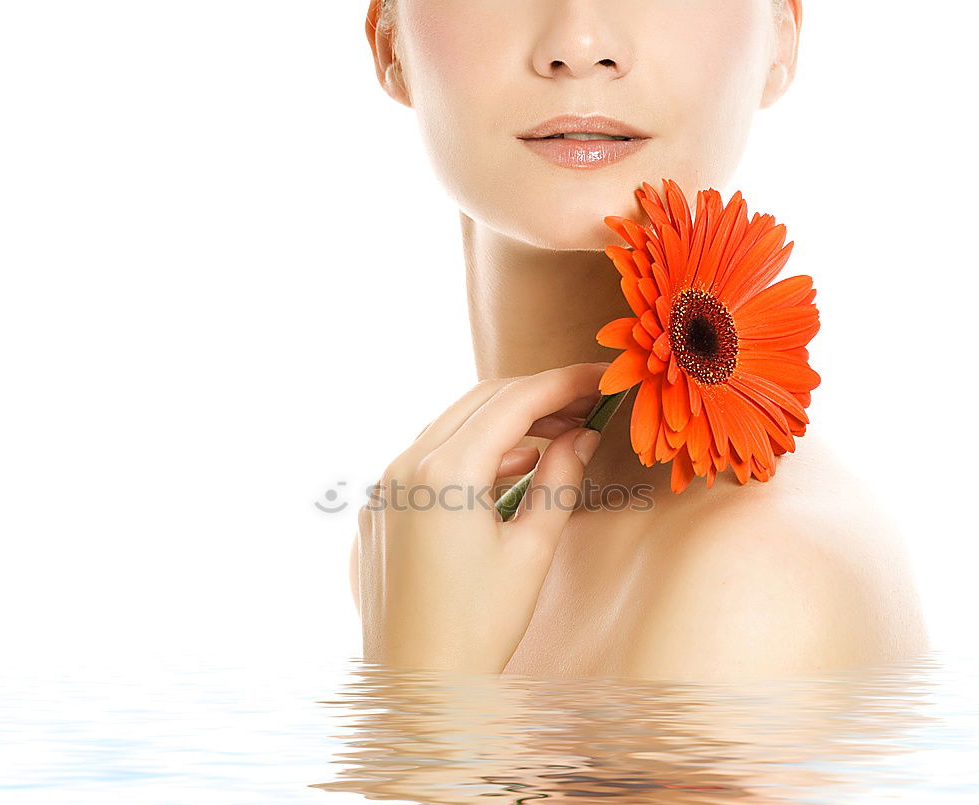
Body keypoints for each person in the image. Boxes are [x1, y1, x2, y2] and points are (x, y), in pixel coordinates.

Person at [351, 0, 929, 678]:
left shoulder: (760, 586)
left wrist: (426, 702)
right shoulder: (424, 535)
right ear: (389, 43)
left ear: (780, 39)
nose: (580, 43)